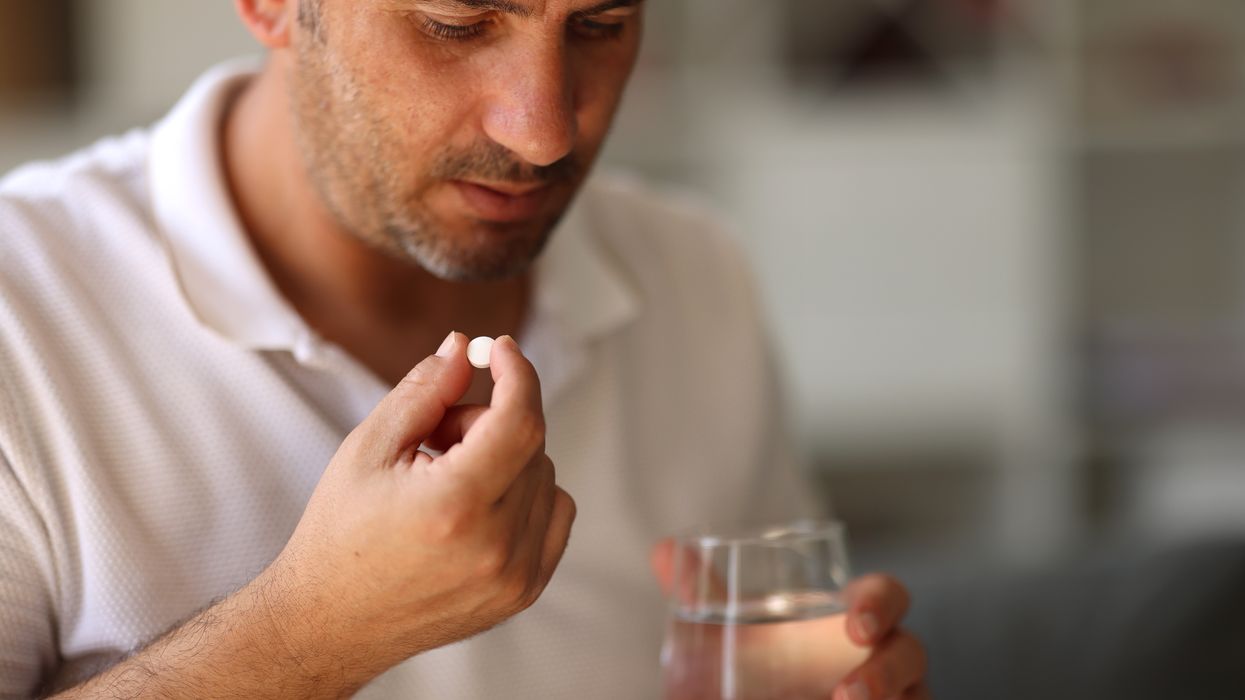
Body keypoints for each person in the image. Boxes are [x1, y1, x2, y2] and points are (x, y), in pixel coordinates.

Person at [0, 1, 928, 698]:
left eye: (600, 23)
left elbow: (764, 656)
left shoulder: (694, 274)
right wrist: (317, 629)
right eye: (457, 21)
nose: (544, 129)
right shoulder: (23, 314)